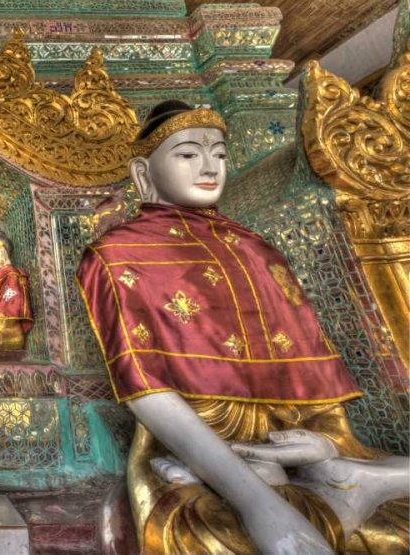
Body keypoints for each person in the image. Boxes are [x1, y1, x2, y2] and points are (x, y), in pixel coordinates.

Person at [77, 100, 408, 554]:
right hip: (189, 445)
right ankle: (345, 491)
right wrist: (256, 503)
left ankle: (356, 482)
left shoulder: (259, 250)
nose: (209, 167)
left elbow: (310, 384)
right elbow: (145, 389)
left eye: (220, 154)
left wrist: (323, 446)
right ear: (143, 174)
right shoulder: (115, 254)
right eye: (189, 154)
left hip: (283, 445)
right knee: (209, 537)